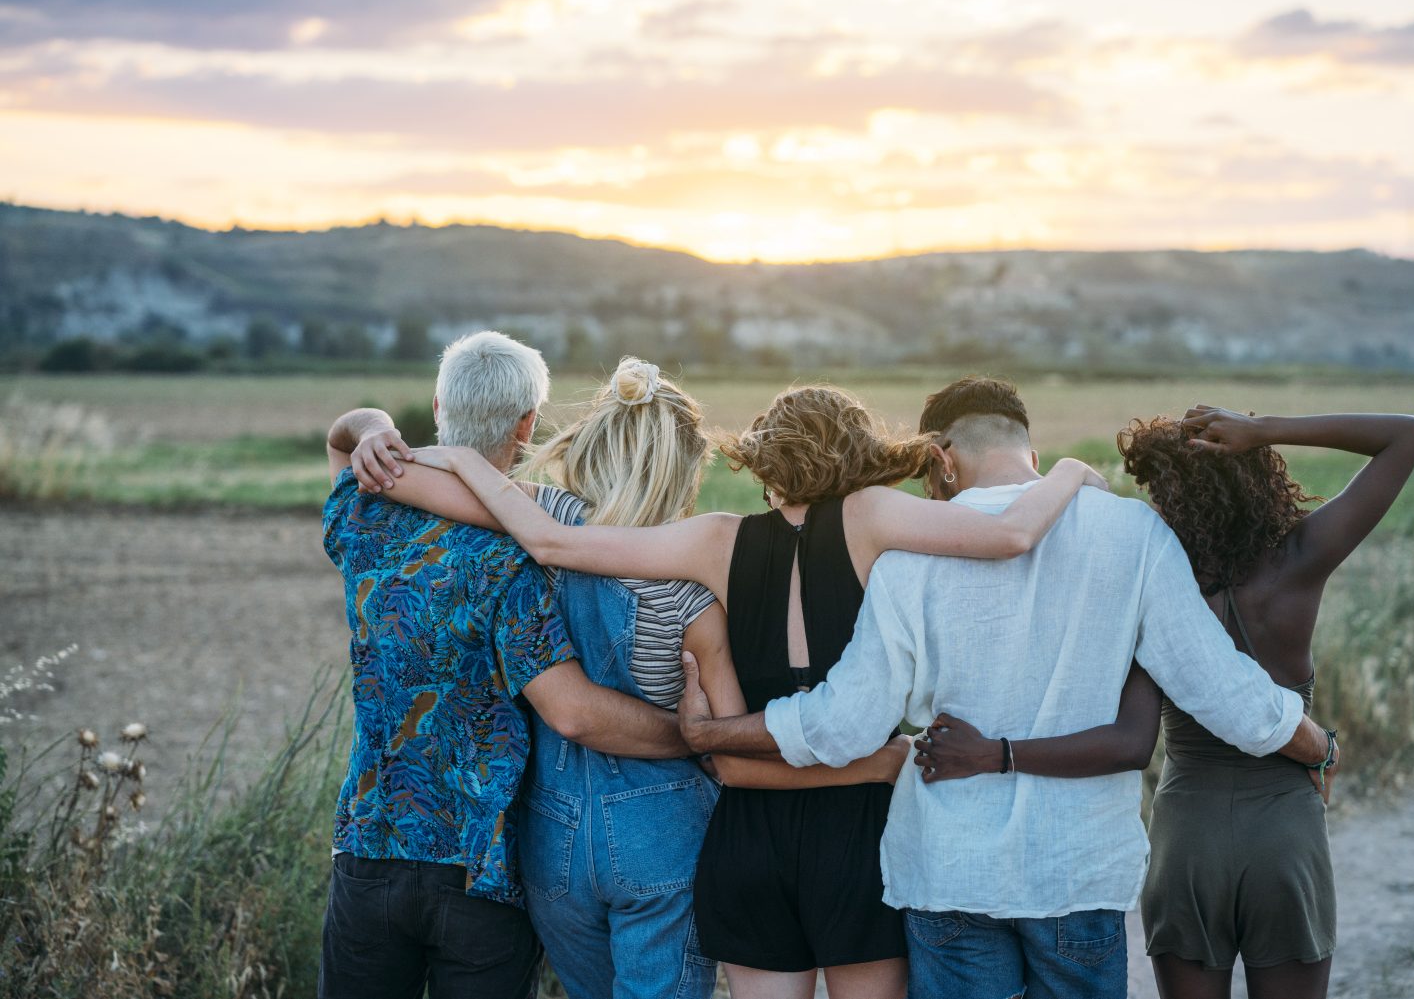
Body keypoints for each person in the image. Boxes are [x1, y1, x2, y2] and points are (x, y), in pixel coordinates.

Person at [392, 382, 1109, 999]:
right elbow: (1014, 533)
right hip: (858, 840)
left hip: (746, 846)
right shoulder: (873, 516)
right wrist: (1074, 470)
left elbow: (551, 542)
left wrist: (453, 457)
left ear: (768, 464)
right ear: (856, 456)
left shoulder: (717, 539)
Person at [674, 377, 1340, 999]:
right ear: (1030, 449)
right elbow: (1220, 687)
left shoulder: (909, 557)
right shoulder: (1133, 533)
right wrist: (1315, 743)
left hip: (949, 871)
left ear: (942, 459)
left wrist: (716, 733)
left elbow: (847, 720)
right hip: (1075, 869)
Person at [337, 356, 725, 998]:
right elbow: (589, 713)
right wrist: (704, 738)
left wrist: (375, 431)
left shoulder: (507, 520)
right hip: (581, 842)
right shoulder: (692, 556)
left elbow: (366, 467)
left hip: (467, 837)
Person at [1116, 406, 1414, 999]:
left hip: (1186, 837)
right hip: (1284, 830)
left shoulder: (1156, 584)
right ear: (1258, 477)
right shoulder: (1300, 559)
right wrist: (1266, 429)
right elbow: (1407, 434)